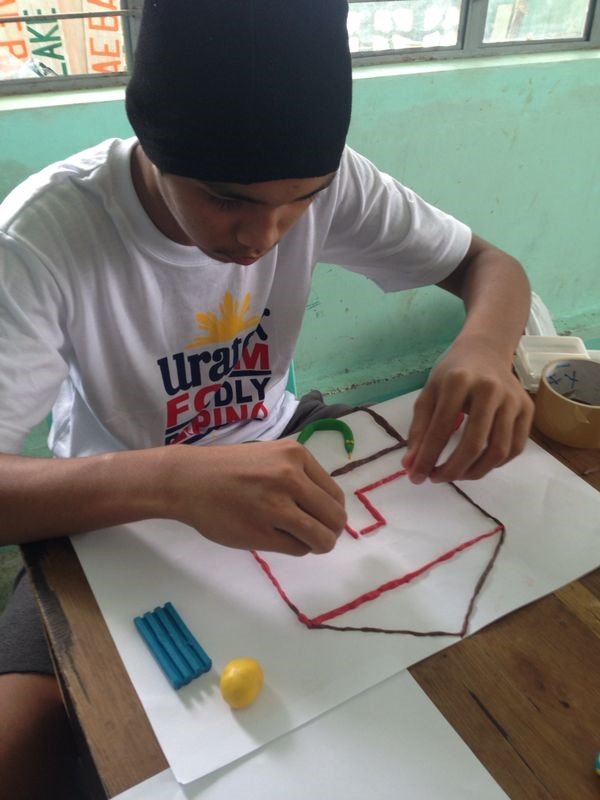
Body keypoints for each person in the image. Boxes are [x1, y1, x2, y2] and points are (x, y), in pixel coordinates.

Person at [0, 1, 534, 796]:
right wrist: (171, 480)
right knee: (22, 745)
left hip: (284, 439)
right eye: (227, 199)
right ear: (152, 146)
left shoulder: (332, 181)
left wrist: (485, 348)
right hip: (107, 507)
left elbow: (492, 267)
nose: (266, 236)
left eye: (303, 200)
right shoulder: (40, 239)